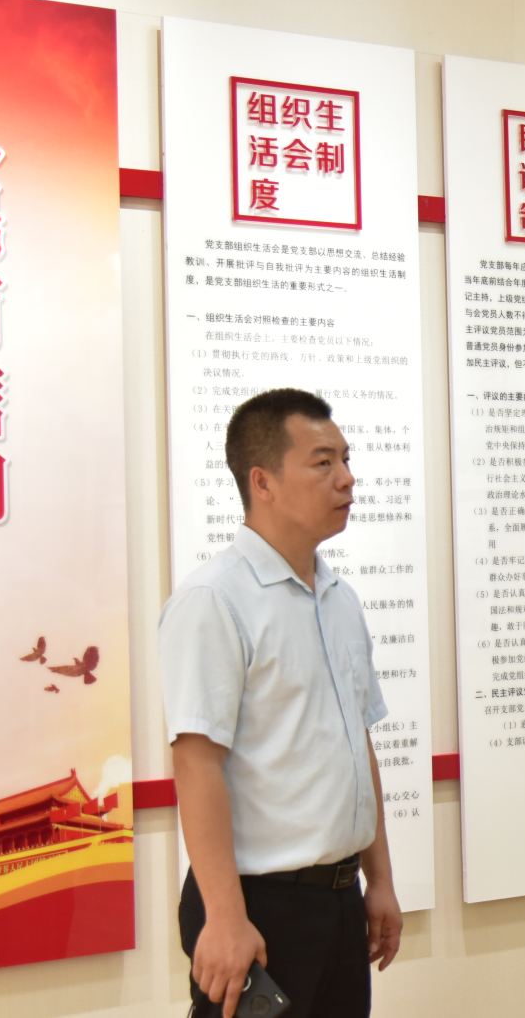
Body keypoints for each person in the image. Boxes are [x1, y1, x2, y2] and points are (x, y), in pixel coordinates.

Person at [160, 388, 401, 1018]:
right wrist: (224, 917)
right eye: (323, 463)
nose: (346, 478)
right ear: (261, 482)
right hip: (258, 908)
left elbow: (357, 743)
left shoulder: (340, 598)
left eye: (346, 459)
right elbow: (196, 763)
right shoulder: (215, 599)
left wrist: (379, 880)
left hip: (339, 898)